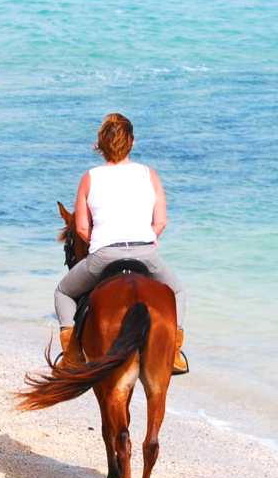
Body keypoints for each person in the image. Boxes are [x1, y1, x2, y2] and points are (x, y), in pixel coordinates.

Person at [54, 112, 187, 374]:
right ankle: (174, 353)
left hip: (103, 255)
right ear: (133, 143)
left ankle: (71, 355)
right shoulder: (149, 174)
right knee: (177, 292)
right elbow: (160, 222)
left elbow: (81, 227)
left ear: (100, 145)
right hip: (145, 254)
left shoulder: (90, 177)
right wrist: (147, 239)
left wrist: (100, 243)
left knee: (63, 292)